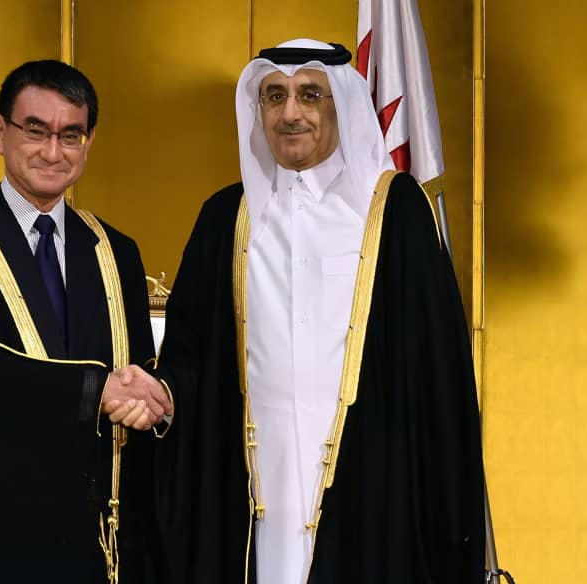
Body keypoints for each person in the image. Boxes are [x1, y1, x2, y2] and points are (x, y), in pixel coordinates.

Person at [152, 39, 485, 583]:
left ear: (344, 106)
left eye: (311, 95)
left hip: (372, 483)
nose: (290, 114)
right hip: (256, 485)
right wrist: (163, 394)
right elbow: (192, 358)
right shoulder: (225, 218)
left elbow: (436, 369)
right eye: (274, 96)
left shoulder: (396, 213)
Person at [0, 59, 172, 584]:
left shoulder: (115, 250)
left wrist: (153, 395)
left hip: (97, 534)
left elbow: (140, 365)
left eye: (71, 135)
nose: (52, 151)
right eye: (35, 130)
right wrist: (96, 389)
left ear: (88, 142)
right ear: (1, 132)